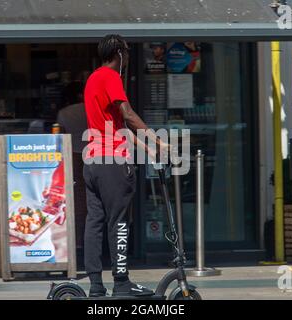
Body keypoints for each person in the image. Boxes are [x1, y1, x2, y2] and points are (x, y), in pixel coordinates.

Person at [82, 34, 168, 297]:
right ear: (119, 53)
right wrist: (158, 140)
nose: (128, 57)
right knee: (119, 221)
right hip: (113, 162)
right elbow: (127, 113)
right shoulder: (111, 77)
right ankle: (121, 283)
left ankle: (96, 285)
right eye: (127, 52)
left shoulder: (92, 79)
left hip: (93, 161)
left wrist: (148, 149)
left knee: (95, 220)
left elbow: (117, 126)